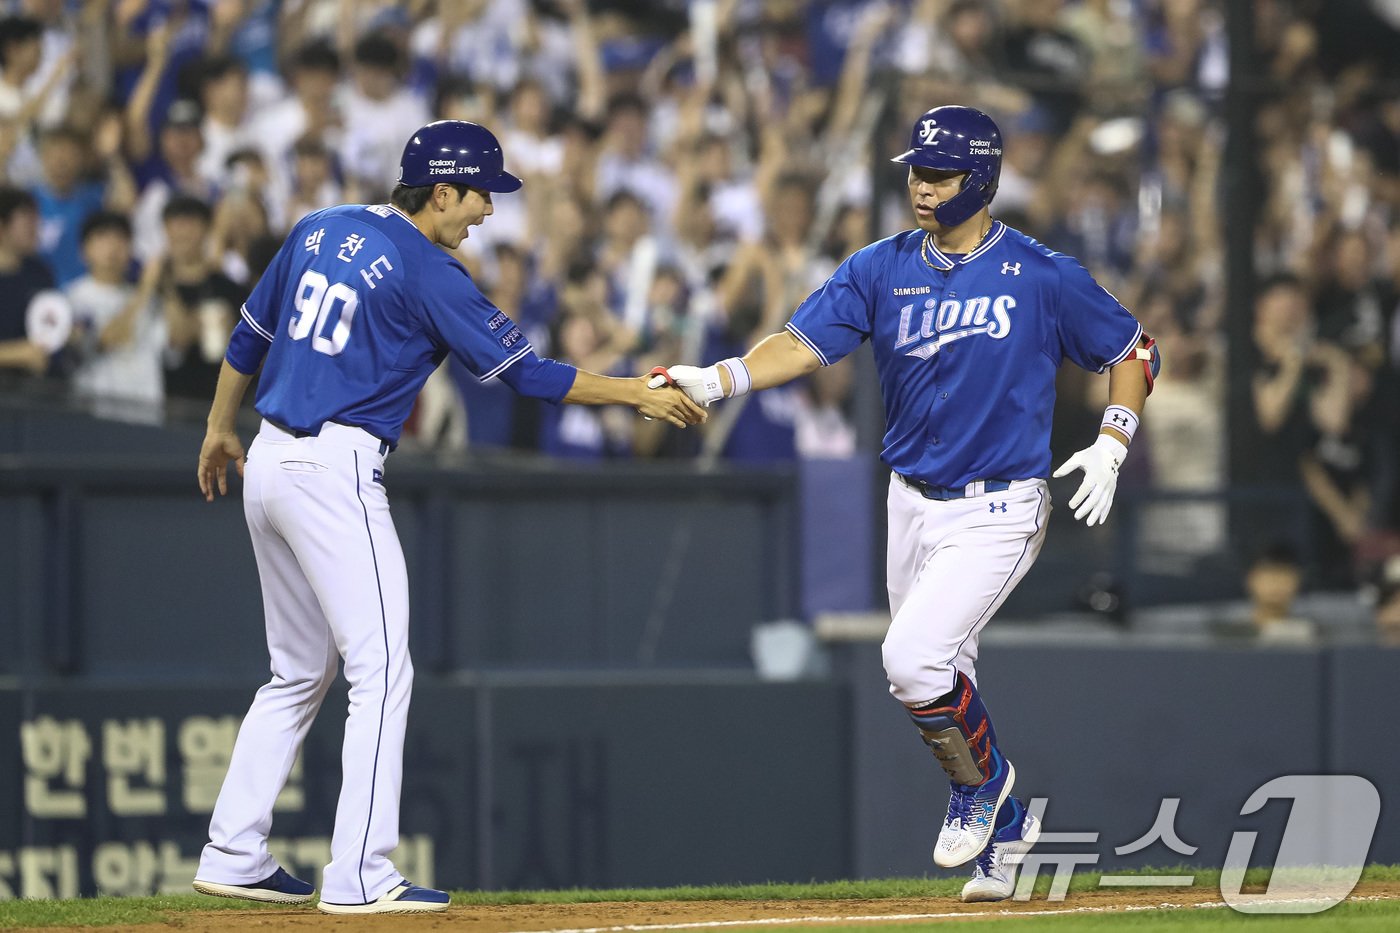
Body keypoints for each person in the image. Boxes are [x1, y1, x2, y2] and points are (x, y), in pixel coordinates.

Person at [192, 120, 704, 915]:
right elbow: (528, 376)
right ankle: (360, 872)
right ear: (441, 190)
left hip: (265, 456)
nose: (488, 212)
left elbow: (250, 333)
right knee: (382, 668)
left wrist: (220, 425)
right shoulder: (432, 271)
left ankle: (233, 849)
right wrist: (636, 390)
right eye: (480, 195)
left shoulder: (319, 225)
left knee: (297, 669)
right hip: (334, 469)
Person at [653, 106, 1157, 903]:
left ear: (982, 179)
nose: (921, 187)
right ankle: (1011, 832)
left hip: (1000, 502)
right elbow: (800, 341)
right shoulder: (882, 266)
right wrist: (719, 379)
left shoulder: (1039, 272)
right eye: (916, 172)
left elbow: (1133, 346)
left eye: (940, 174)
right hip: (910, 498)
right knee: (940, 671)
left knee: (909, 659)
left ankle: (981, 788)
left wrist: (1115, 437)